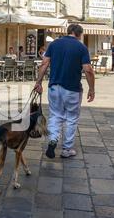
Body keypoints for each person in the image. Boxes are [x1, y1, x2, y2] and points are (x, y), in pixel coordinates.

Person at [34, 24, 96, 159]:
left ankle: (53, 139)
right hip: (72, 88)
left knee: (55, 115)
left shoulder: (54, 44)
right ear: (79, 34)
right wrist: (91, 89)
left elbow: (44, 63)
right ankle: (67, 149)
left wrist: (38, 82)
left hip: (54, 87)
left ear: (68, 32)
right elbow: (88, 70)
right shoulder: (81, 47)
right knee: (71, 119)